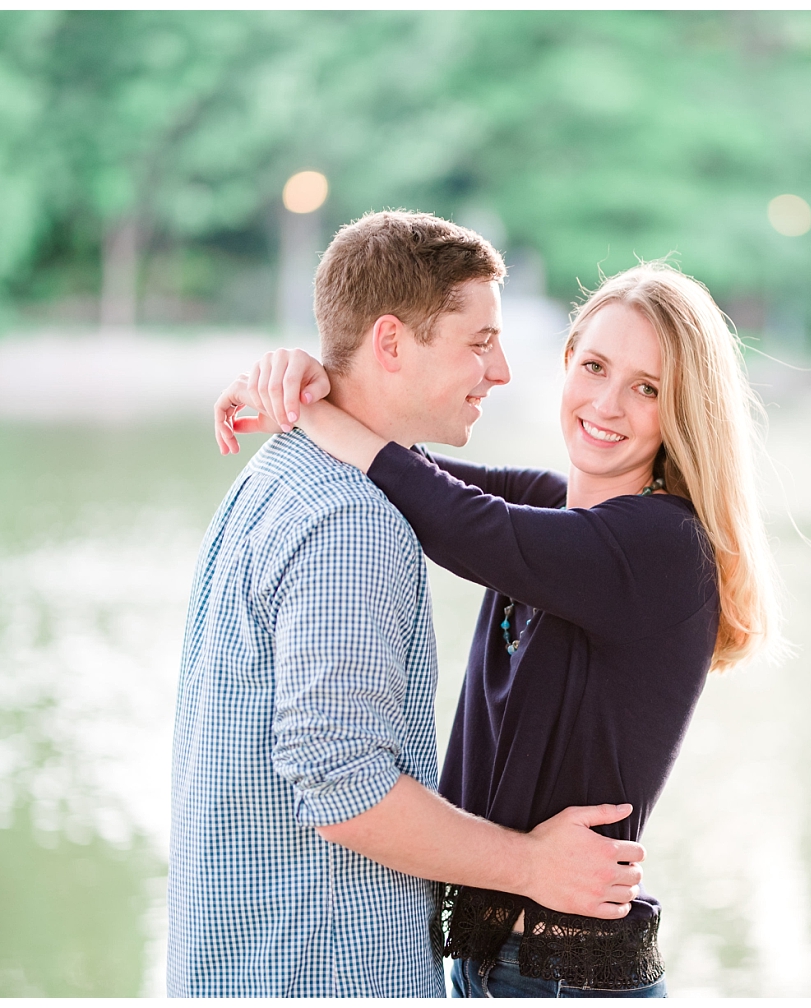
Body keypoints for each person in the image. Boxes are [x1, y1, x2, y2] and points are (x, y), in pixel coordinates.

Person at [216, 259, 782, 997]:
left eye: (647, 389)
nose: (607, 403)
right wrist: (308, 377)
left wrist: (313, 410)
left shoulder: (662, 546)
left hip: (567, 978)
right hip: (494, 968)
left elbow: (459, 523)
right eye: (595, 367)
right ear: (567, 364)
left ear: (683, 412)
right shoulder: (555, 511)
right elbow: (415, 474)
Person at [169, 211, 647, 998]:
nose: (500, 372)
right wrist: (532, 864)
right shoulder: (351, 522)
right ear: (391, 343)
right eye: (479, 342)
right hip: (325, 972)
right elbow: (343, 788)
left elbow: (464, 510)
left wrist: (306, 390)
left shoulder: (279, 473)